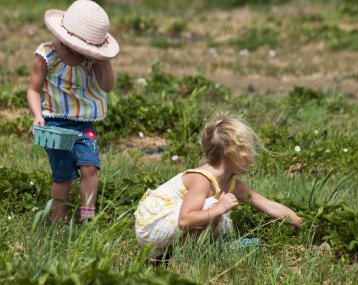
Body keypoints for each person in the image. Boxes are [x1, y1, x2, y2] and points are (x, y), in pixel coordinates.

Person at [135, 113, 303, 257]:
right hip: (153, 227)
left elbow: (268, 205)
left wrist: (304, 223)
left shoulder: (232, 184)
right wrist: (218, 209)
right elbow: (184, 220)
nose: (252, 156)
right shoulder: (202, 179)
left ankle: (179, 253)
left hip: (168, 229)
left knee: (217, 214)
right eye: (249, 151)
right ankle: (183, 257)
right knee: (213, 207)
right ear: (234, 153)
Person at [27, 0, 119, 222]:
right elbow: (33, 90)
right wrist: (38, 116)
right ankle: (58, 219)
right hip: (55, 124)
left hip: (83, 125)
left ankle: (87, 215)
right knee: (63, 176)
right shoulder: (47, 55)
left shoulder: (93, 59)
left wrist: (104, 63)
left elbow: (107, 86)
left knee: (90, 168)